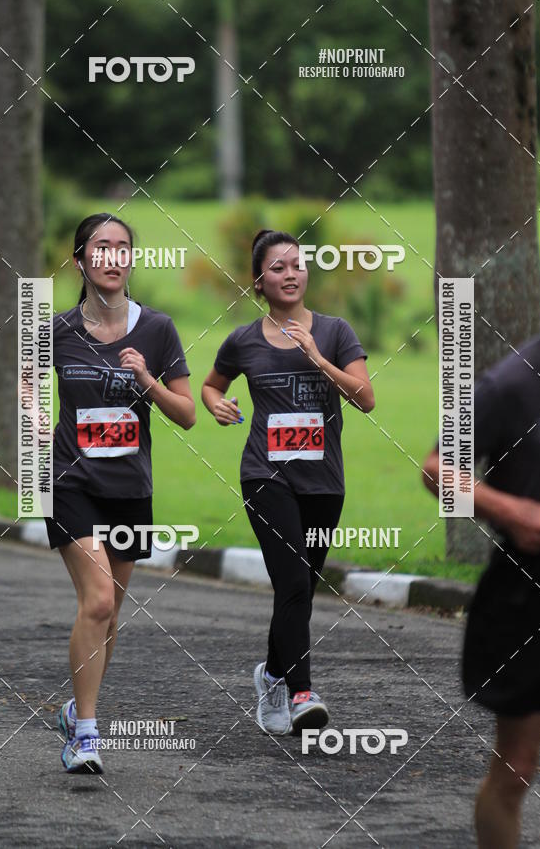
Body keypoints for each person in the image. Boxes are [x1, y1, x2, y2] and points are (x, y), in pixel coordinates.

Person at [202, 229, 374, 736]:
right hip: (265, 475)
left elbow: (366, 398)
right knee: (294, 581)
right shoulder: (243, 341)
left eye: (297, 264)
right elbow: (213, 385)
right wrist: (217, 405)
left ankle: (272, 675)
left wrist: (319, 359)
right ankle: (302, 694)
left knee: (299, 590)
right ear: (259, 281)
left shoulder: (336, 332)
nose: (291, 273)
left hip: (323, 481)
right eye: (278, 267)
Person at [43, 213, 195, 774]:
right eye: (100, 248)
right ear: (80, 260)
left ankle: (74, 709)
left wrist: (148, 381)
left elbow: (187, 415)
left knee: (110, 616)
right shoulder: (54, 330)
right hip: (70, 482)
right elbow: (27, 398)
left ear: (132, 259)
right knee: (99, 601)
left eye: (122, 247)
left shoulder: (156, 329)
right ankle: (86, 734)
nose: (112, 257)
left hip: (129, 488)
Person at [422, 334, 540, 848]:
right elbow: (437, 467)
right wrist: (515, 512)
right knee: (516, 766)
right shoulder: (511, 383)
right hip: (528, 593)